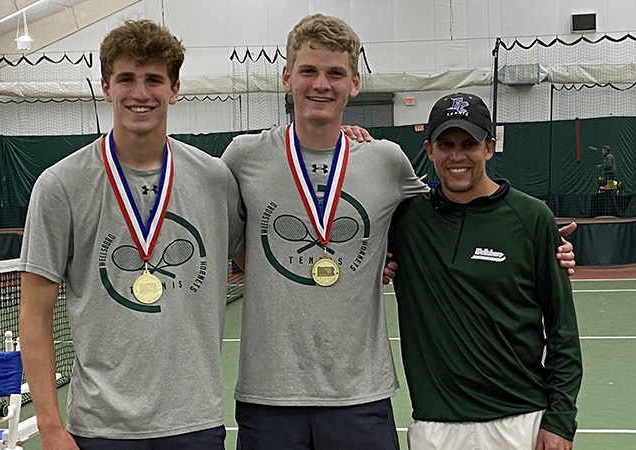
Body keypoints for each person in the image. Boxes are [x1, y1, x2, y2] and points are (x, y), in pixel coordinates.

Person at [221, 14, 576, 450]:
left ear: (354, 84)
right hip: (268, 395)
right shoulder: (243, 157)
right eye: (308, 70)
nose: (320, 84)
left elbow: (451, 206)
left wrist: (543, 244)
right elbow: (236, 247)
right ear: (286, 77)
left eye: (335, 73)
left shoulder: (384, 161)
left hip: (360, 395)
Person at [19, 20, 242, 449]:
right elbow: (34, 314)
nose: (140, 93)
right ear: (106, 86)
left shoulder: (216, 180)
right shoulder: (60, 186)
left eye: (154, 79)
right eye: (126, 78)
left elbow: (263, 261)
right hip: (98, 429)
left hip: (195, 424)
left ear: (174, 89)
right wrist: (49, 426)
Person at [388, 93, 583, 450]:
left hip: (518, 423)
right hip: (435, 428)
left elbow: (562, 330)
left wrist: (560, 420)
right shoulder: (406, 221)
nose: (457, 156)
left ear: (490, 147)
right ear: (429, 149)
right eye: (446, 144)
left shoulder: (532, 218)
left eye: (470, 144)